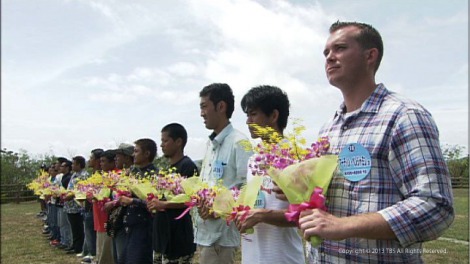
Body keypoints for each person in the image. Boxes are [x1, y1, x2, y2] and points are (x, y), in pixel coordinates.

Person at [296, 21, 454, 263]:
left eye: (339, 48)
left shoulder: (404, 115)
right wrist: (299, 187)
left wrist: (345, 225)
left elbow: (435, 206)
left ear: (370, 56)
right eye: (326, 52)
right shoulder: (328, 128)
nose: (329, 57)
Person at [234, 85, 304, 264]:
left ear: (274, 116)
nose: (248, 121)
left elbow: (304, 215)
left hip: (283, 257)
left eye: (253, 114)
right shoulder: (254, 160)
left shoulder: (295, 159)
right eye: (247, 115)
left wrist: (262, 215)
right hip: (252, 256)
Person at [195, 83, 253, 264]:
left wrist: (218, 209)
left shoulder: (240, 143)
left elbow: (248, 189)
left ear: (221, 107)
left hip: (221, 237)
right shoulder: (210, 145)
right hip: (204, 233)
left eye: (204, 106)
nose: (201, 113)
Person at [147, 123, 198, 263]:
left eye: (165, 141)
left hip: (178, 237)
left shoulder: (188, 166)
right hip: (161, 236)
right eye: (161, 141)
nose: (162, 145)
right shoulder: (166, 169)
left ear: (178, 142)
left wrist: (163, 204)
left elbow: (190, 200)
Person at [118, 138, 157, 264]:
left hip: (144, 226)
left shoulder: (154, 175)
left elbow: (154, 203)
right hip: (130, 223)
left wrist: (132, 201)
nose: (133, 154)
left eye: (136, 151)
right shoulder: (133, 173)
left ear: (147, 154)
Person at [93, 149, 116, 264]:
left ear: (112, 163)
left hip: (108, 218)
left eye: (103, 161)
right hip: (99, 216)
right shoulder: (102, 176)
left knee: (107, 249)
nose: (101, 164)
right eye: (100, 161)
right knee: (101, 246)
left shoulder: (116, 177)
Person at [80, 148, 103, 264]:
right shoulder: (93, 174)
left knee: (94, 233)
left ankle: (94, 255)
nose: (89, 160)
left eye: (91, 158)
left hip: (97, 208)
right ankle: (91, 253)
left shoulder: (102, 175)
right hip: (89, 207)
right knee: (89, 232)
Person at [63, 156, 89, 254]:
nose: (72, 165)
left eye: (74, 164)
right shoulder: (74, 175)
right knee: (73, 227)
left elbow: (80, 190)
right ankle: (74, 244)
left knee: (78, 227)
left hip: (77, 206)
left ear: (79, 164)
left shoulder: (83, 175)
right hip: (70, 205)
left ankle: (78, 247)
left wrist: (72, 195)